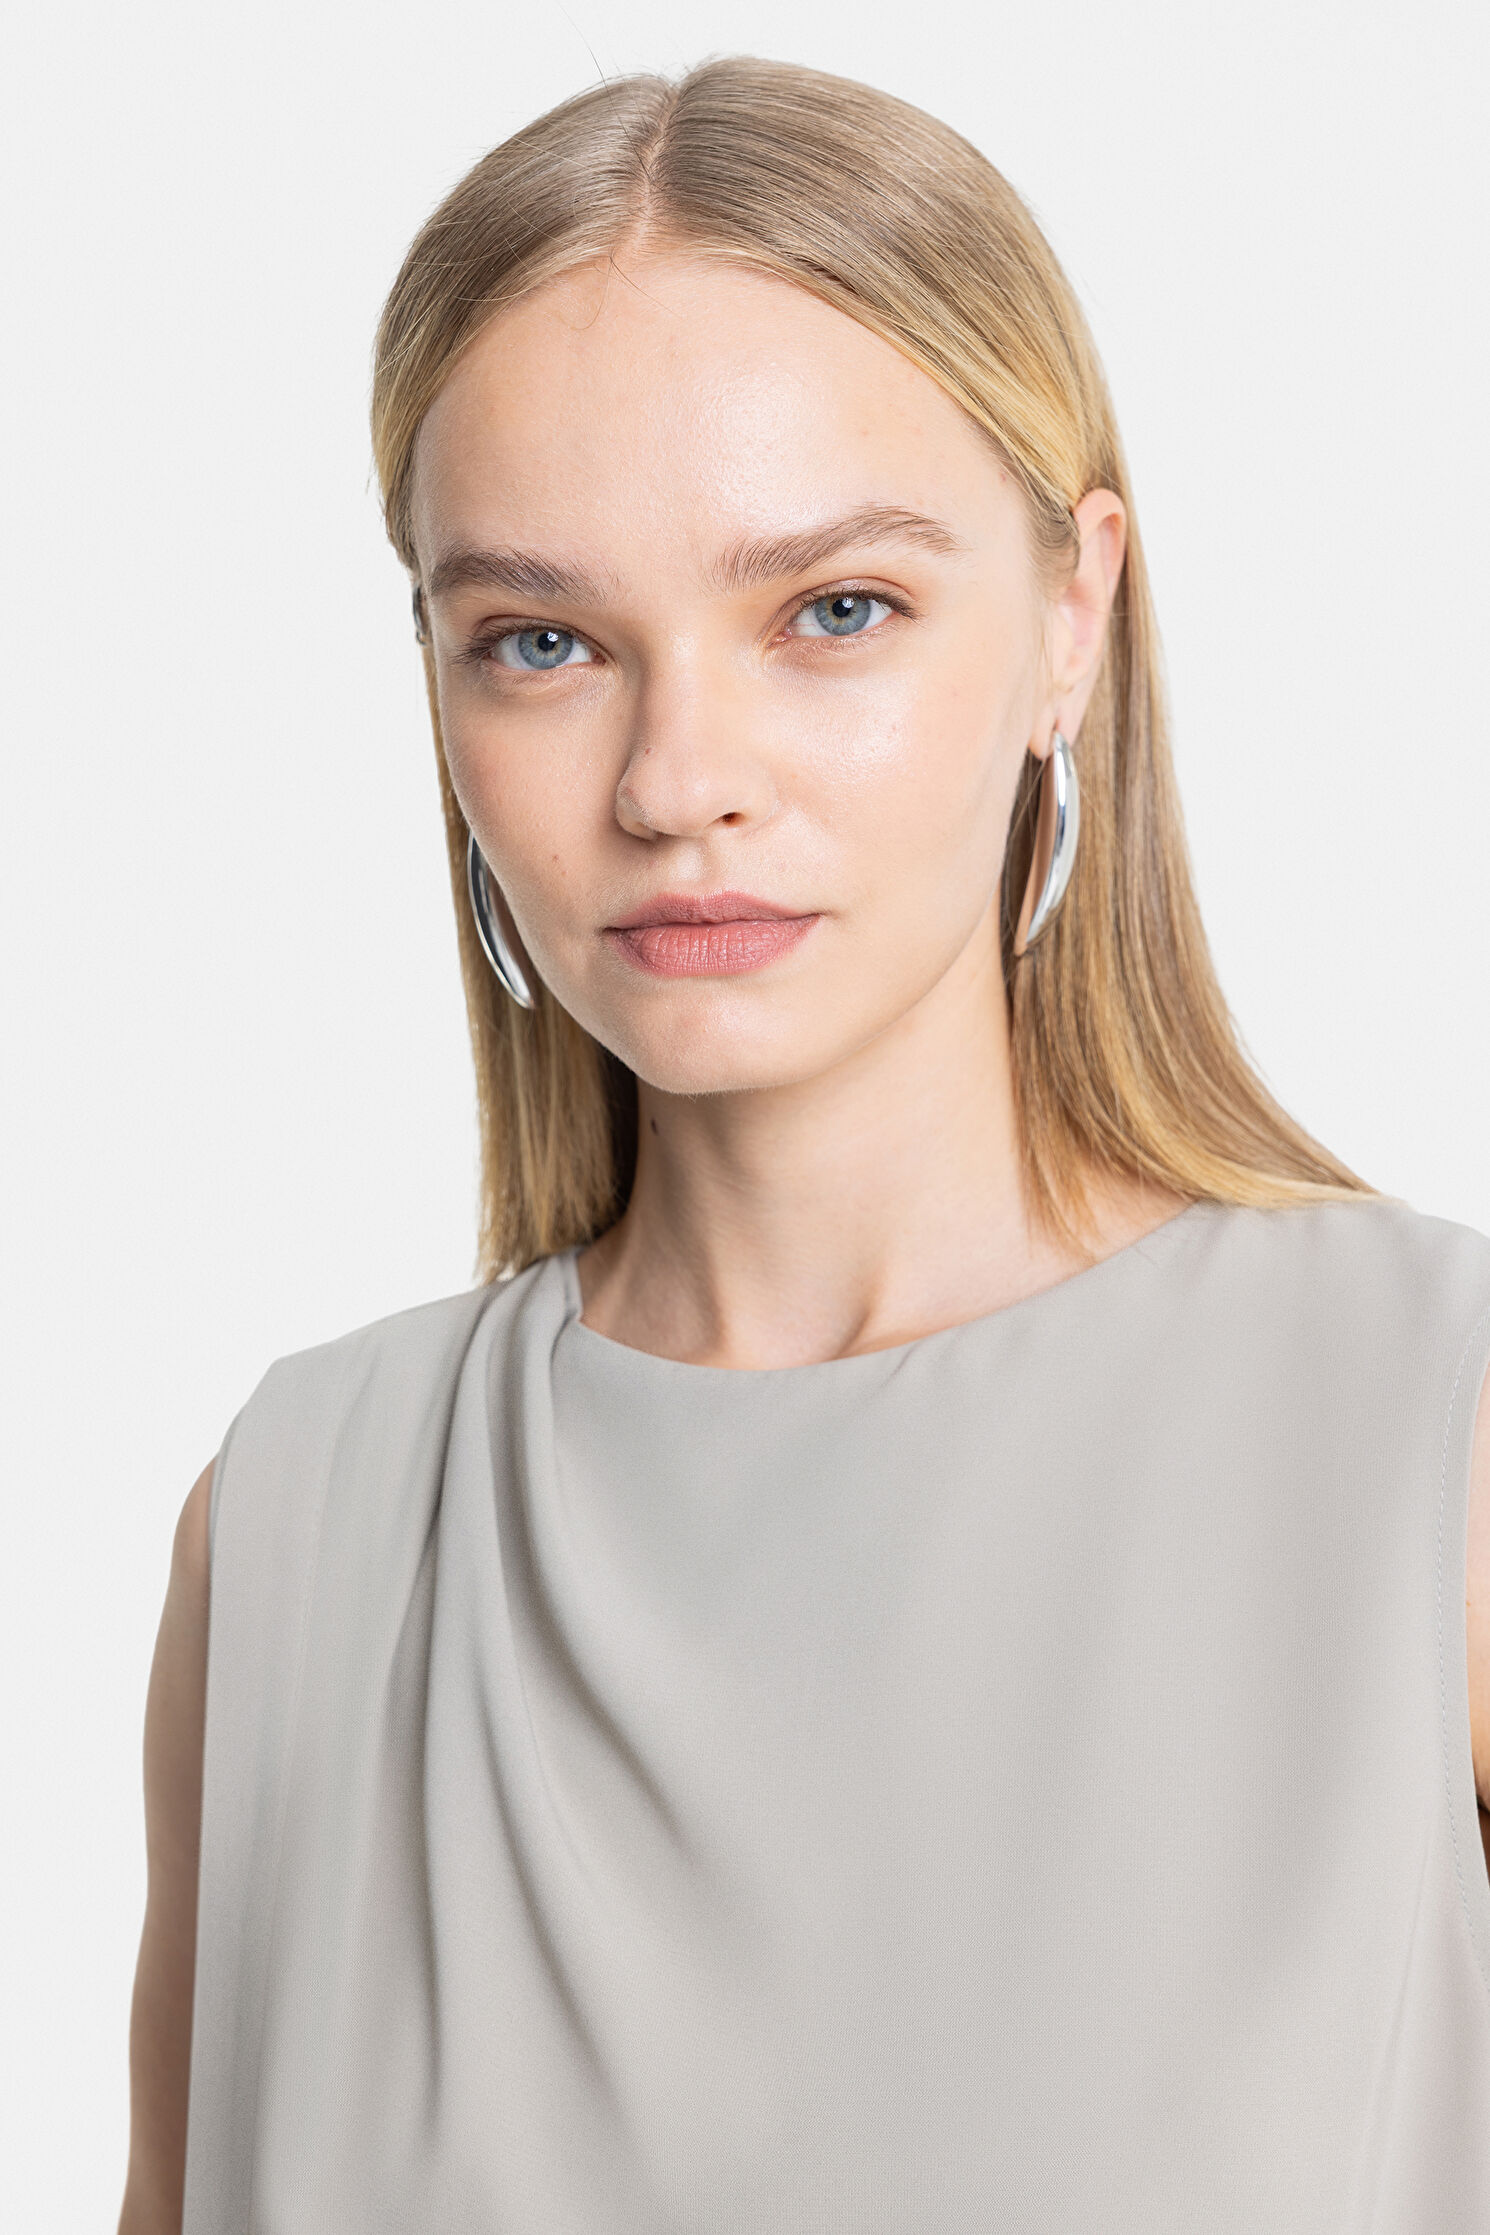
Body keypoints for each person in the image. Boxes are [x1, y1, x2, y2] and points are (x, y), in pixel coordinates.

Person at [118, 55, 1490, 2234]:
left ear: (1069, 617)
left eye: (833, 608)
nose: (679, 777)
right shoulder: (297, 1522)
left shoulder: (1431, 1441)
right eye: (542, 642)